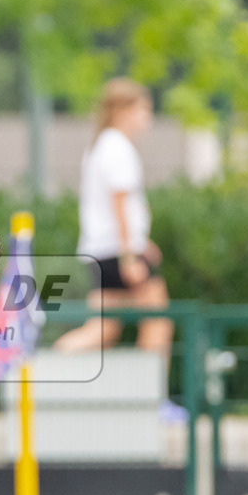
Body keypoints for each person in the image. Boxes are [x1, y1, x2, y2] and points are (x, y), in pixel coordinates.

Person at [53, 78, 173, 358]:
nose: (147, 118)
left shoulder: (101, 146)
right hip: (119, 251)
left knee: (103, 329)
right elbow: (119, 204)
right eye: (143, 109)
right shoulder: (117, 147)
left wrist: (142, 242)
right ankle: (152, 398)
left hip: (103, 250)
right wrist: (130, 255)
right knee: (158, 322)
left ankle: (48, 361)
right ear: (122, 111)